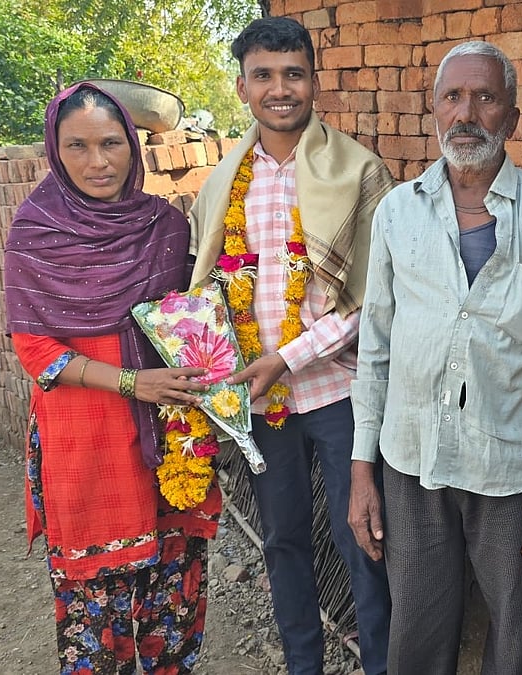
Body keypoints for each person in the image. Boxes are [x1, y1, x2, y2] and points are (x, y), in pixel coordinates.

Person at [347, 40, 522, 675]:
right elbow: (375, 345)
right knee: (416, 631)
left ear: (511, 115)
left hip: (513, 466)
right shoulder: (397, 211)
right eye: (452, 97)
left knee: (514, 636)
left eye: (485, 97)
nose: (466, 114)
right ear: (434, 109)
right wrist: (361, 469)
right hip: (410, 457)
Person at [187, 17, 395, 675]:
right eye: (264, 76)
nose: (280, 89)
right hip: (262, 400)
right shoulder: (223, 184)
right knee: (282, 540)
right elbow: (209, 290)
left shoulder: (359, 172)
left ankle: (381, 664)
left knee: (364, 537)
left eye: (293, 74)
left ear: (314, 81)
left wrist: (288, 356)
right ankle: (304, 665)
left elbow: (376, 300)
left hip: (341, 391)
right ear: (242, 87)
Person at [4, 82, 221, 674]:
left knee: (172, 608)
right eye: (77, 146)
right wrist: (131, 382)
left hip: (167, 434)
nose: (97, 162)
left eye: (111, 143)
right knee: (95, 623)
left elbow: (189, 323)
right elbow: (35, 350)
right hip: (85, 439)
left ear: (133, 145)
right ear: (56, 151)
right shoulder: (36, 230)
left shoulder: (165, 226)